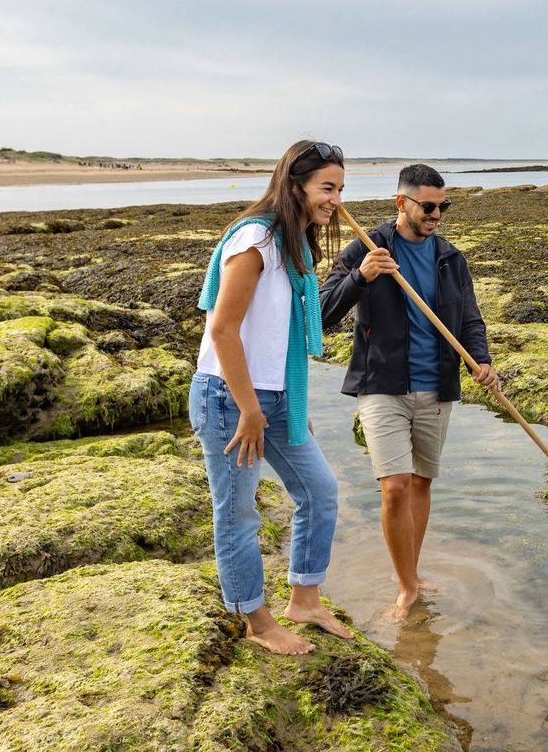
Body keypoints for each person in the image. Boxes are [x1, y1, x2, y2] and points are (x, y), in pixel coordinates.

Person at [190, 139, 354, 656]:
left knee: (320, 491)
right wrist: (249, 410)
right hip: (230, 397)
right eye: (327, 188)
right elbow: (222, 330)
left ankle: (304, 599)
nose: (335, 199)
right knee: (238, 512)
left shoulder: (294, 244)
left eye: (340, 189)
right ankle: (256, 621)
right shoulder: (256, 239)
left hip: (279, 397)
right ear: (295, 185)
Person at [319, 164, 499, 620]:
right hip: (383, 385)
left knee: (421, 482)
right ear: (402, 203)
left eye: (443, 206)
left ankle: (413, 574)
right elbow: (320, 313)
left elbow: (471, 320)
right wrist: (361, 276)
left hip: (437, 387)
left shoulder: (450, 258)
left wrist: (482, 362)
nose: (437, 214)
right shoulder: (367, 246)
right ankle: (405, 587)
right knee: (395, 486)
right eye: (428, 206)